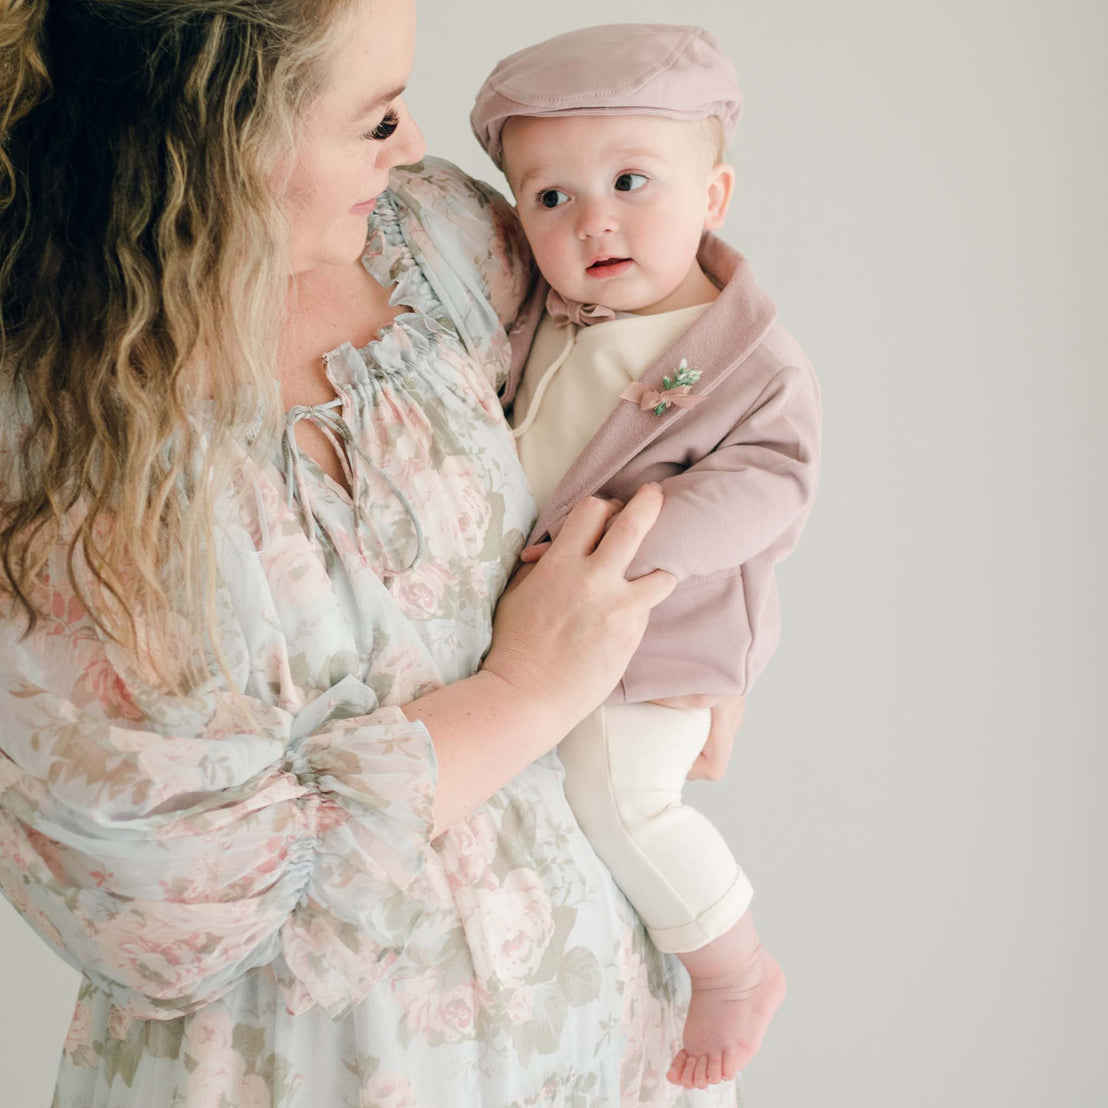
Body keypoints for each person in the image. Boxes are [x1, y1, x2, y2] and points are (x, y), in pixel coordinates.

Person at [0, 0, 746, 1104]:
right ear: (220, 138)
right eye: (374, 117)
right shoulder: (46, 426)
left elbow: (684, 390)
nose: (411, 145)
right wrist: (526, 693)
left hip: (601, 1037)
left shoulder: (438, 238)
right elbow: (161, 908)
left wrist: (710, 626)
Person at [470, 23, 822, 1089]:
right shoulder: (547, 317)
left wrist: (635, 544)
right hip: (549, 641)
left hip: (654, 640)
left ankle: (733, 965)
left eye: (631, 180)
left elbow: (773, 481)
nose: (594, 221)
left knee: (617, 792)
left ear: (713, 195)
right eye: (551, 198)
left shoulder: (740, 352)